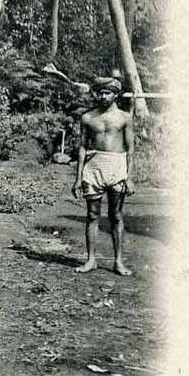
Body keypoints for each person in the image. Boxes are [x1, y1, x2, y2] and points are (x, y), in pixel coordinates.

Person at [71, 76, 136, 276]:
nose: (103, 96)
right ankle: (91, 259)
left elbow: (131, 148)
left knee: (116, 215)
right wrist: (78, 177)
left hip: (117, 165)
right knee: (92, 214)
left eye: (107, 92)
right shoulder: (88, 118)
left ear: (115, 94)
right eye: (100, 92)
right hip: (94, 166)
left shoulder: (124, 117)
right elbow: (82, 147)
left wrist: (129, 176)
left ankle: (118, 261)